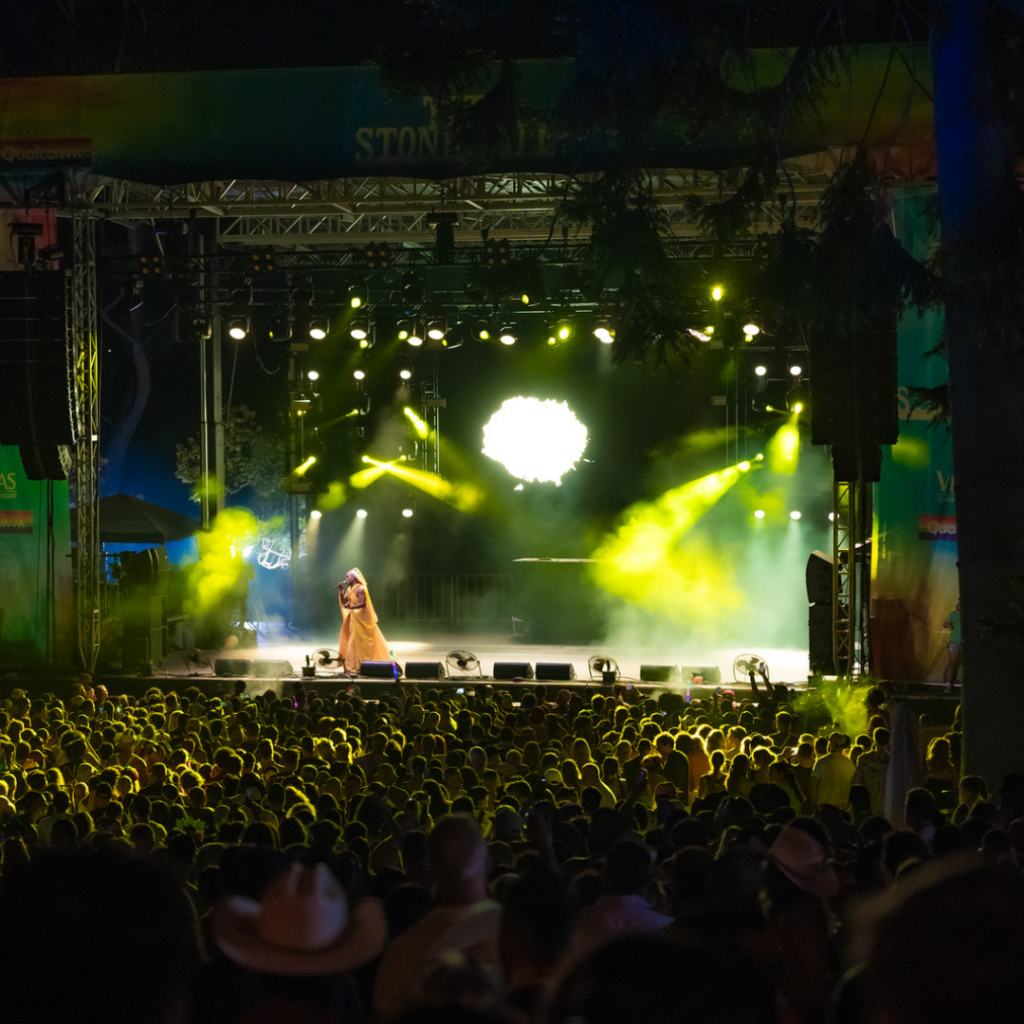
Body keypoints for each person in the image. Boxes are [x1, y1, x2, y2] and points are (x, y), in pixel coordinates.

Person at [336, 567, 391, 673]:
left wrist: (352, 607)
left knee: (360, 640)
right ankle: (354, 665)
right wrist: (341, 591)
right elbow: (344, 603)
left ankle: (363, 664)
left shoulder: (361, 588)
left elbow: (363, 603)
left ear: (354, 577)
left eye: (348, 576)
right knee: (353, 640)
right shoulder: (349, 589)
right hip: (353, 618)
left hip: (361, 618)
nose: (346, 578)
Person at [942, 599, 962, 693]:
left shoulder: (969, 615)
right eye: (958, 602)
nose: (958, 604)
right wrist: (947, 624)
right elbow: (945, 624)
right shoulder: (953, 614)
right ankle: (948, 685)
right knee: (951, 663)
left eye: (961, 603)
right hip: (954, 642)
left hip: (965, 643)